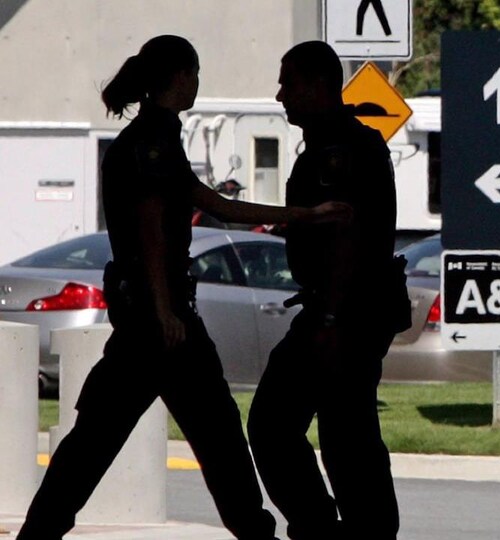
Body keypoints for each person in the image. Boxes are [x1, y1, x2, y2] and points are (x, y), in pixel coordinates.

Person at [17, 35, 351, 540]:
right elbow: (152, 229)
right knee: (212, 438)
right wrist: (164, 310)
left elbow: (218, 205)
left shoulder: (154, 139)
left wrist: (306, 214)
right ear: (180, 76)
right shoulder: (152, 141)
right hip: (161, 323)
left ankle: (38, 533)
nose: (198, 82)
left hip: (150, 320)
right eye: (195, 73)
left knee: (102, 441)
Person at [247, 41, 409, 540]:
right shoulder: (335, 144)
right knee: (339, 431)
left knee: (311, 430)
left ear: (318, 86)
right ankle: (338, 529)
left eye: (289, 83)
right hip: (342, 311)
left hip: (345, 315)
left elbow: (346, 237)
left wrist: (331, 319)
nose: (280, 95)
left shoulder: (339, 153)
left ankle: (333, 529)